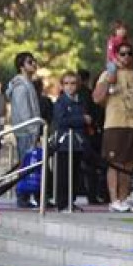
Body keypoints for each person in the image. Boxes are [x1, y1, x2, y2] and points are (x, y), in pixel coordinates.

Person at [93, 40, 133, 213]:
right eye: (122, 53)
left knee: (129, 164)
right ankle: (113, 199)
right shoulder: (108, 73)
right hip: (115, 123)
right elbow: (97, 98)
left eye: (129, 53)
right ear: (116, 55)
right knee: (115, 163)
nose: (126, 57)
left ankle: (123, 198)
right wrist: (108, 83)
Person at [5, 52, 41, 208]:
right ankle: (23, 197)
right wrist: (34, 130)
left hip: (30, 130)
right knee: (26, 164)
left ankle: (30, 196)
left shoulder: (28, 83)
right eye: (29, 61)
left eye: (34, 61)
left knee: (29, 164)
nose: (33, 64)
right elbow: (24, 112)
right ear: (21, 66)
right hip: (26, 131)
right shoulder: (21, 86)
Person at [53, 71, 89, 211]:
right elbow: (61, 121)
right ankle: (62, 202)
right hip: (65, 143)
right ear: (62, 85)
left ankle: (71, 200)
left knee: (75, 173)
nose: (70, 87)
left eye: (73, 83)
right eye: (66, 83)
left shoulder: (80, 101)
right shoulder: (61, 102)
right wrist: (82, 119)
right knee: (64, 174)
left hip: (77, 143)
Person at [76, 68, 107, 204]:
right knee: (93, 167)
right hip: (91, 134)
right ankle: (95, 194)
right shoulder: (89, 95)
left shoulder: (78, 95)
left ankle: (91, 194)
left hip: (82, 134)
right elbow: (96, 115)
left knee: (86, 167)